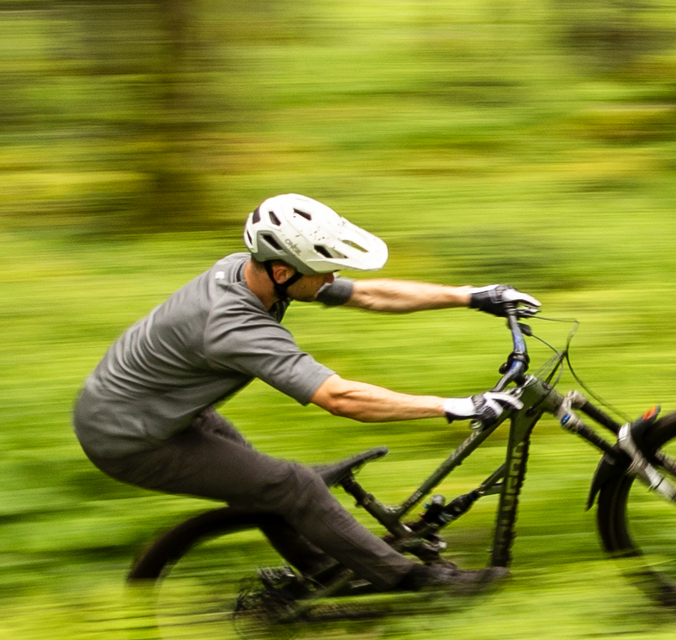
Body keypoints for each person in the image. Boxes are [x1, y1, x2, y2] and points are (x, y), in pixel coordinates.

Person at [73, 194, 543, 594]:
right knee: (289, 484)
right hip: (129, 438)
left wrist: (471, 295)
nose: (330, 280)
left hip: (161, 407)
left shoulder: (250, 271)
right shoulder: (235, 325)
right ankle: (418, 584)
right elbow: (340, 398)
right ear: (281, 271)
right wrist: (455, 406)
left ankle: (320, 571)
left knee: (262, 482)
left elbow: (369, 295)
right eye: (322, 271)